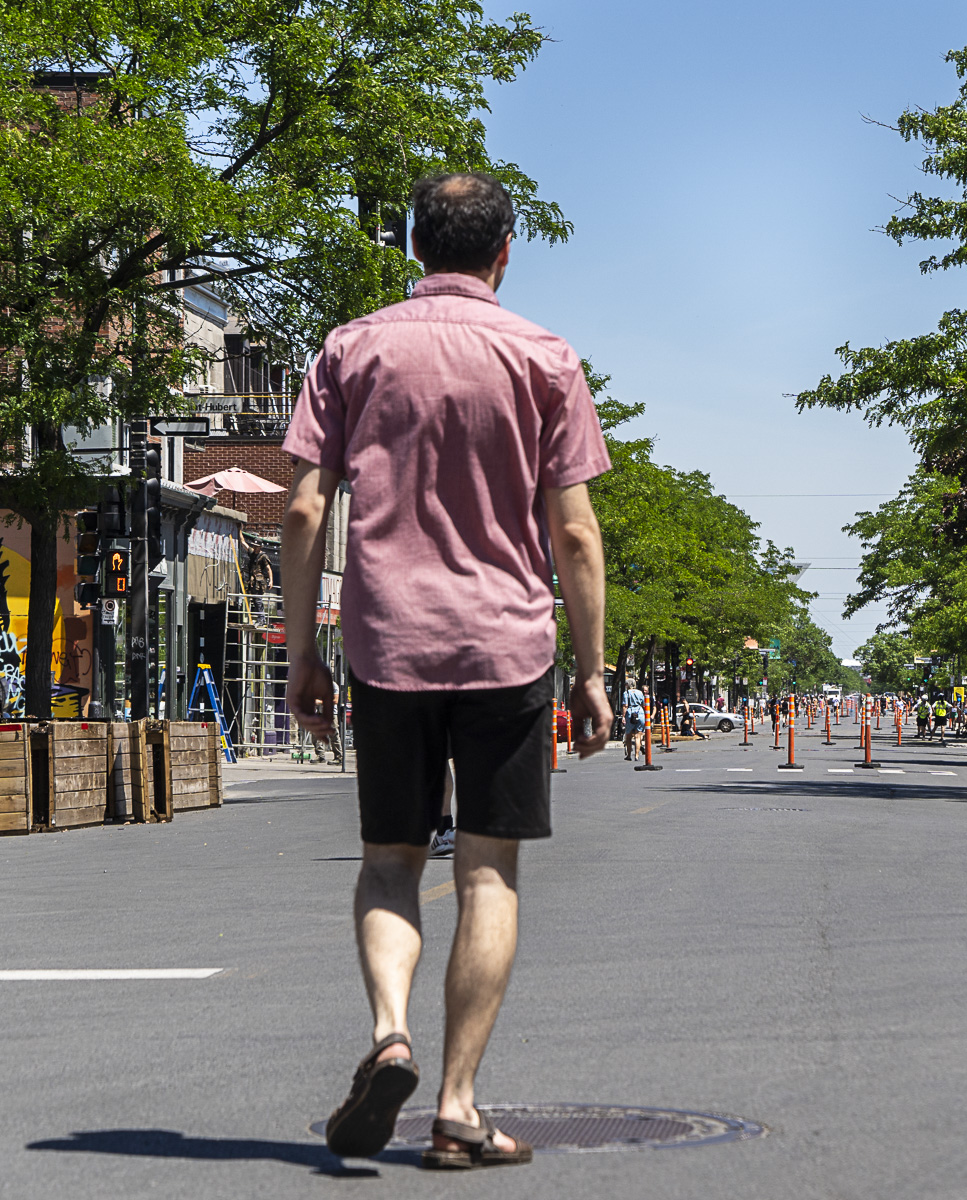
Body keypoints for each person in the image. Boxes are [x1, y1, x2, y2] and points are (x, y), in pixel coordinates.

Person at [286, 172, 613, 1169]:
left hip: (389, 643)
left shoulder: (350, 349)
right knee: (487, 873)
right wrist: (594, 674)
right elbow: (578, 536)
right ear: (504, 251)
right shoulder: (545, 357)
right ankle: (460, 1106)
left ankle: (391, 1031)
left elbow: (302, 511)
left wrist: (304, 652)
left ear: (414, 245)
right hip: (507, 649)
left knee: (391, 858)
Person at [621, 683, 647, 760]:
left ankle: (629, 755)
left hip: (630, 713)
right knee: (638, 736)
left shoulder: (626, 693)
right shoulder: (640, 692)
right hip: (640, 713)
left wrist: (623, 716)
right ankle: (637, 755)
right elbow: (644, 704)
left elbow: (625, 705)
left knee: (628, 737)